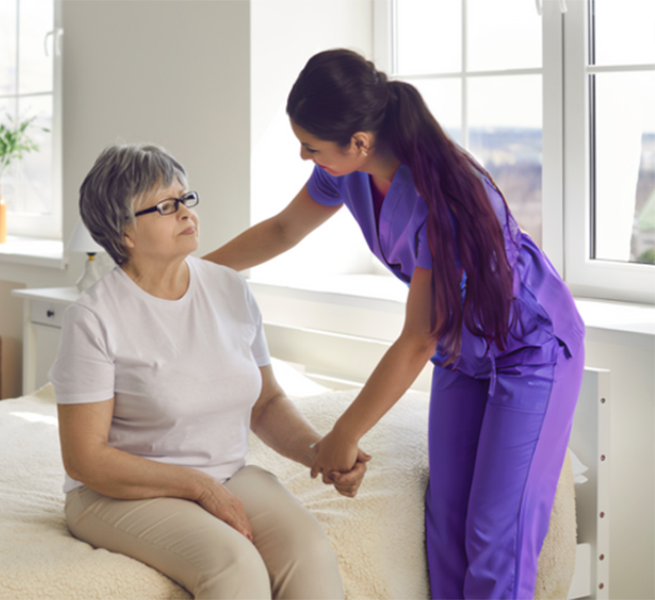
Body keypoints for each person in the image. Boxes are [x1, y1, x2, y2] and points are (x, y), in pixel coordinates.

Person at [203, 49, 586, 600]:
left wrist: (345, 433)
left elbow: (416, 339)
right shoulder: (349, 174)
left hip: (530, 351)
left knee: (494, 533)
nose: (303, 155)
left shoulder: (446, 196)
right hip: (462, 352)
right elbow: (285, 229)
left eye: (311, 146)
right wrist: (190, 273)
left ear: (358, 141)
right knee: (448, 526)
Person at [49, 143, 368, 600]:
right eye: (165, 206)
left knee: (310, 552)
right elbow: (86, 459)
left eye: (186, 198)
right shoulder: (94, 318)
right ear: (124, 234)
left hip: (227, 475)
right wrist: (197, 486)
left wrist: (321, 453)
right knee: (235, 567)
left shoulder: (230, 288)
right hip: (114, 493)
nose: (185, 213)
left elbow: (266, 403)